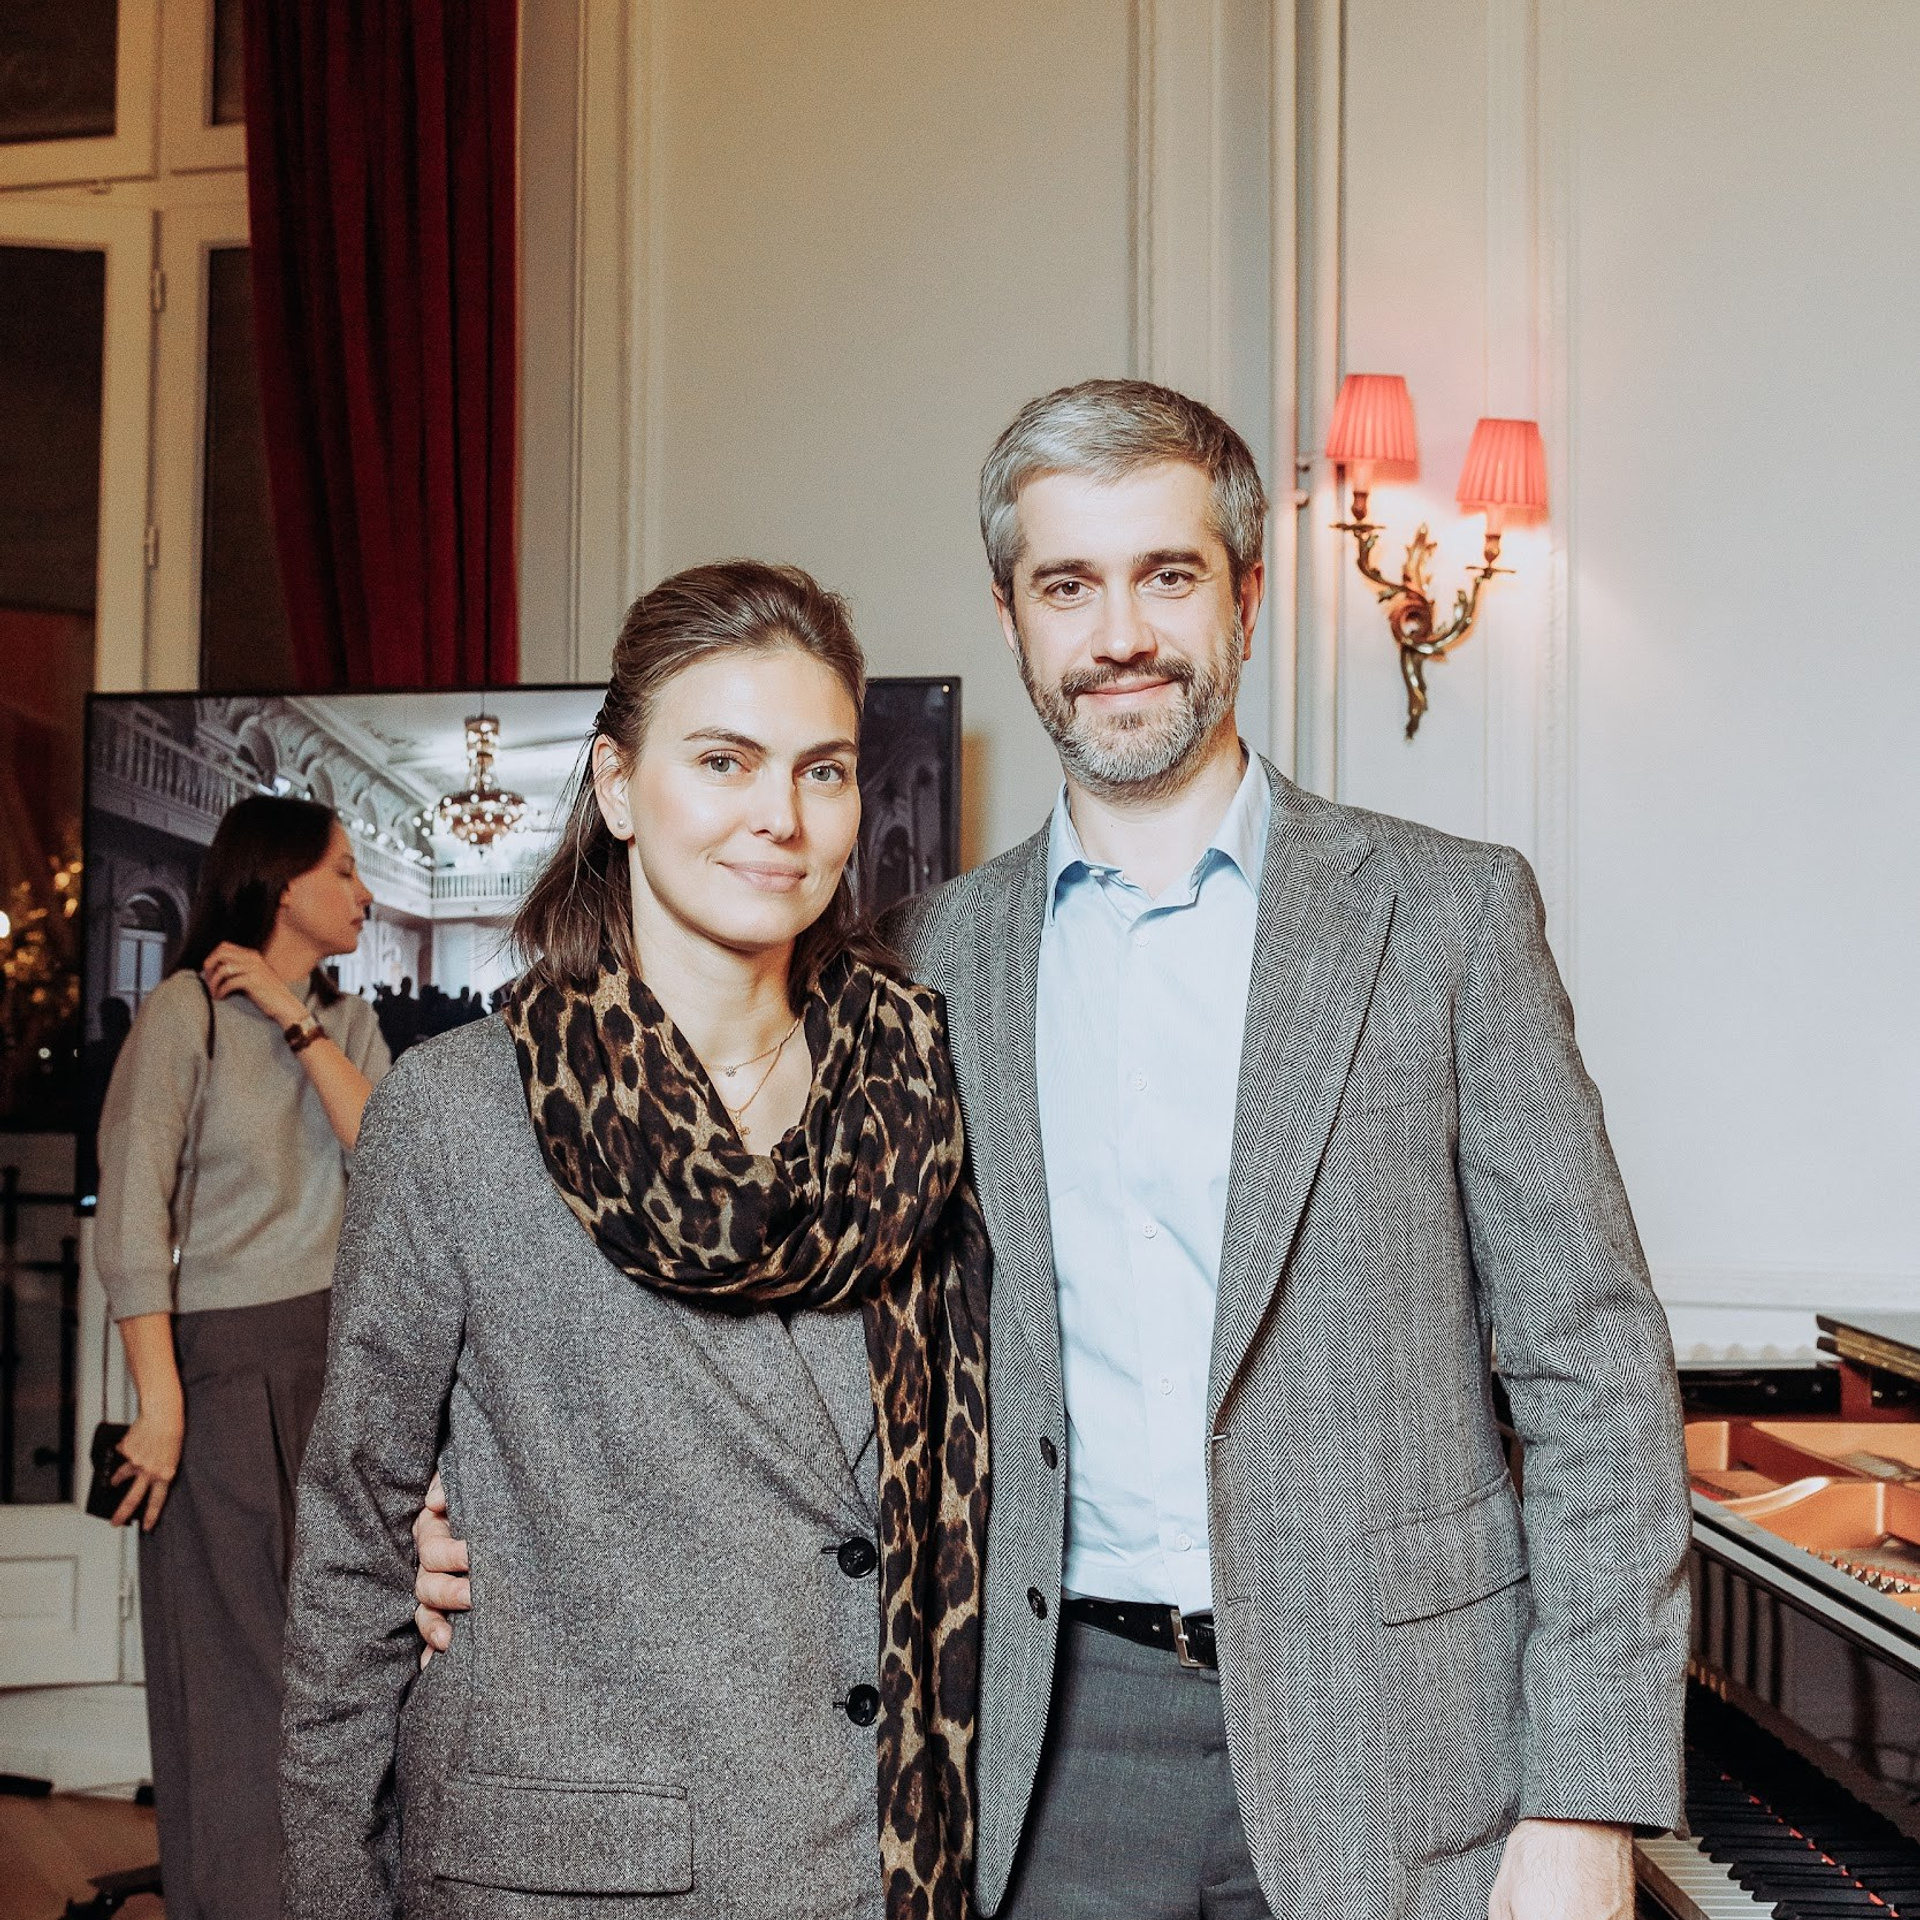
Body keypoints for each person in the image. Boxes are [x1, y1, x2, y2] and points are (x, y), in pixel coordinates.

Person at [416, 382, 1691, 1920]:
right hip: (1040, 1748)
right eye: (1067, 586)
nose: (1121, 634)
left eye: (1168, 575)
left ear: (1247, 596)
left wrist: (1588, 1796)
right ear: (1015, 621)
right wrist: (474, 1505)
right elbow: (751, 1322)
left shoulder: (1446, 918)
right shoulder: (909, 967)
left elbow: (1593, 1370)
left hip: (1408, 1746)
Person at [280, 562, 991, 1920]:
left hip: (878, 1864)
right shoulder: (459, 1114)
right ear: (615, 786)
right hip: (571, 1874)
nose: (779, 819)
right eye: (723, 761)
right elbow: (356, 1542)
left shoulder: (929, 1091)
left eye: (823, 771)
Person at [95, 794, 390, 1920]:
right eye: (347, 870)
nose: (363, 893)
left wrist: (292, 1015)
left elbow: (391, 1157)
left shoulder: (346, 1022)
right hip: (213, 1374)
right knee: (231, 1678)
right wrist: (157, 1403)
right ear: (279, 884)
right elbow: (131, 1219)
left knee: (338, 1671)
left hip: (338, 1364)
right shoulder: (181, 1014)